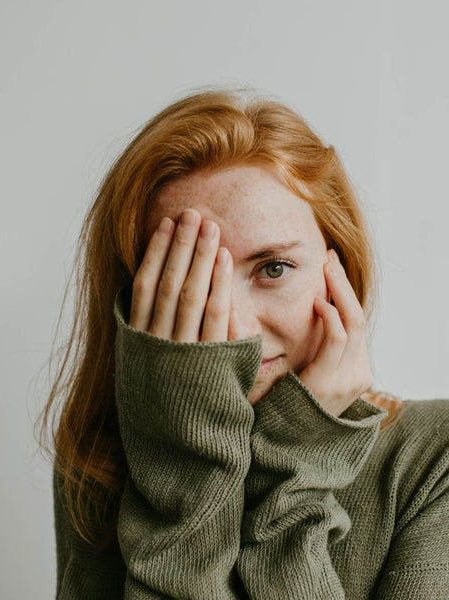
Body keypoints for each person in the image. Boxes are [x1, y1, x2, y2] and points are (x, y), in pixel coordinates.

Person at [35, 89, 449, 598]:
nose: (236, 330)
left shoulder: (435, 461)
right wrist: (181, 470)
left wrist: (295, 471)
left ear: (340, 270)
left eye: (274, 268)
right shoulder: (103, 460)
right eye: (189, 280)